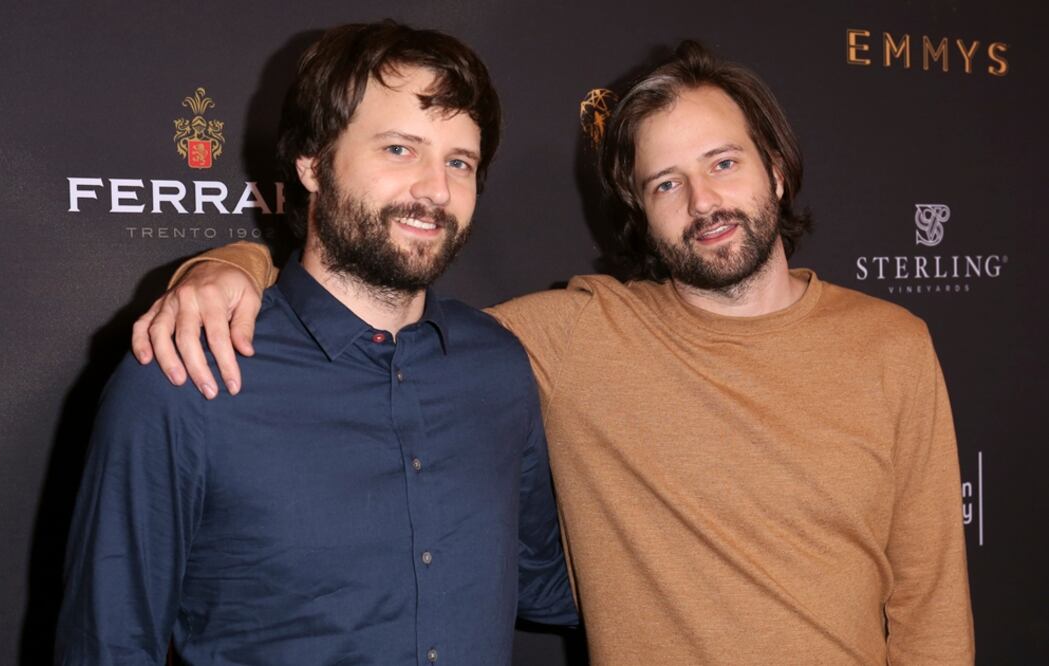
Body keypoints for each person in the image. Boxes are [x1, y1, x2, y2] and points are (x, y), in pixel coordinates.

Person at [133, 39, 974, 664]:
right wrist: (227, 265)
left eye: (724, 163)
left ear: (777, 171)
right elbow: (373, 300)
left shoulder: (890, 346)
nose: (704, 201)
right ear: (638, 211)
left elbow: (931, 609)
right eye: (665, 184)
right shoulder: (571, 336)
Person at [57, 21, 576, 665]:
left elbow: (551, 583)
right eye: (399, 149)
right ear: (312, 162)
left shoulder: (498, 366)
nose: (436, 190)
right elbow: (108, 645)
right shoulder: (187, 372)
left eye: (459, 162)